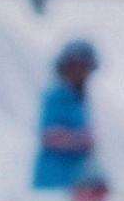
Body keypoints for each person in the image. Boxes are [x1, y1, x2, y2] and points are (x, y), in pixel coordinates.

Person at [32, 40, 98, 191]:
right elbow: (50, 136)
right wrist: (81, 141)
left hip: (75, 183)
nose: (84, 74)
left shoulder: (80, 101)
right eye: (79, 67)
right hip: (53, 180)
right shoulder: (57, 96)